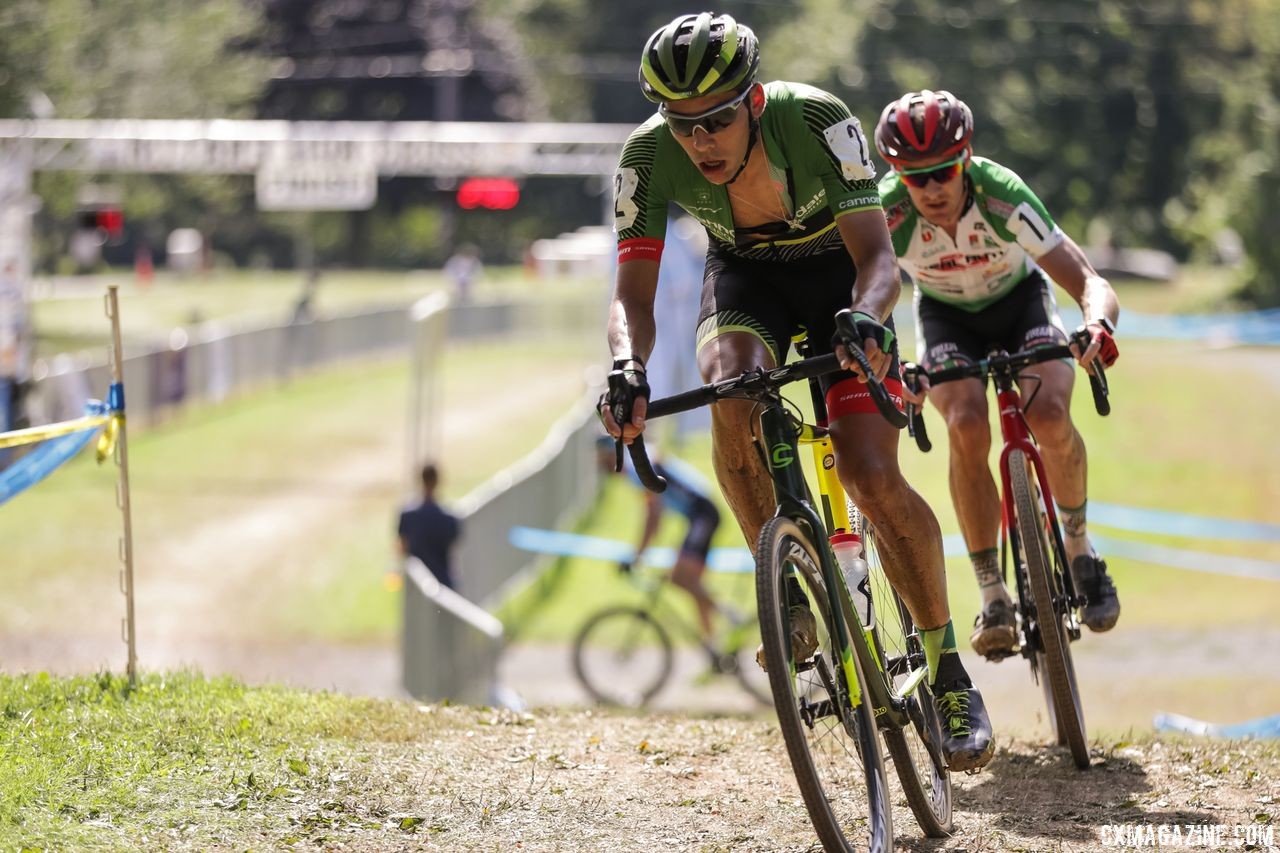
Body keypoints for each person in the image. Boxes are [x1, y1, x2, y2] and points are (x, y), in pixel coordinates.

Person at [599, 12, 993, 771]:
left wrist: (867, 320)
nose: (700, 141)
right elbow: (633, 299)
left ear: (752, 101)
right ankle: (783, 584)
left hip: (841, 277)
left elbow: (879, 259)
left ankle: (947, 672)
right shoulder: (646, 157)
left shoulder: (815, 120)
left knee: (872, 475)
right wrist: (626, 366)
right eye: (682, 126)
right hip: (747, 279)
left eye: (715, 120)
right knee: (730, 391)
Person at [874, 90, 1122, 660]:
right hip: (944, 316)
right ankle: (992, 593)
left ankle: (1081, 551)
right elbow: (864, 297)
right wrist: (891, 362)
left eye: (943, 172)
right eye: (917, 178)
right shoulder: (886, 212)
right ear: (898, 178)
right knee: (964, 424)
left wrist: (1097, 325)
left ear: (965, 161)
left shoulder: (1001, 194)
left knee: (1050, 413)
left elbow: (1087, 280)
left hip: (1021, 305)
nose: (933, 188)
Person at [595, 436, 722, 640]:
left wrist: (637, 555)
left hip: (703, 514)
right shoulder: (640, 461)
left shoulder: (638, 468)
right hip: (699, 515)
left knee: (681, 578)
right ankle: (717, 645)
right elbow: (658, 515)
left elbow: (653, 517)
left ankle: (732, 617)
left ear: (613, 454)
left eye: (602, 458)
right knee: (688, 580)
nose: (601, 464)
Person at [397, 463, 462, 591]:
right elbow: (453, 551)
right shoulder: (449, 517)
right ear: (438, 481)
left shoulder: (408, 515)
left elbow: (402, 549)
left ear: (421, 480)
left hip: (417, 585)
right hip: (443, 584)